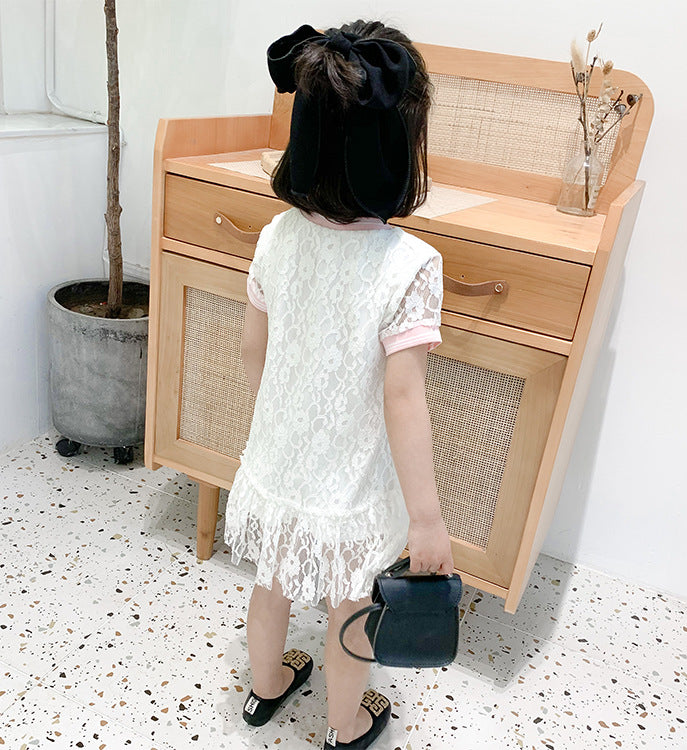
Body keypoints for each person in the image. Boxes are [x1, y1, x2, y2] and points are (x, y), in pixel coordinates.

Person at [224, 19, 454, 750]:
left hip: (277, 458)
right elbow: (403, 398)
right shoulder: (409, 263)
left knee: (270, 582)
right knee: (350, 607)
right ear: (399, 145)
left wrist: (278, 423)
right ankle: (344, 725)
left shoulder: (275, 236)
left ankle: (265, 688)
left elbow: (253, 350)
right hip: (350, 481)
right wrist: (426, 521)